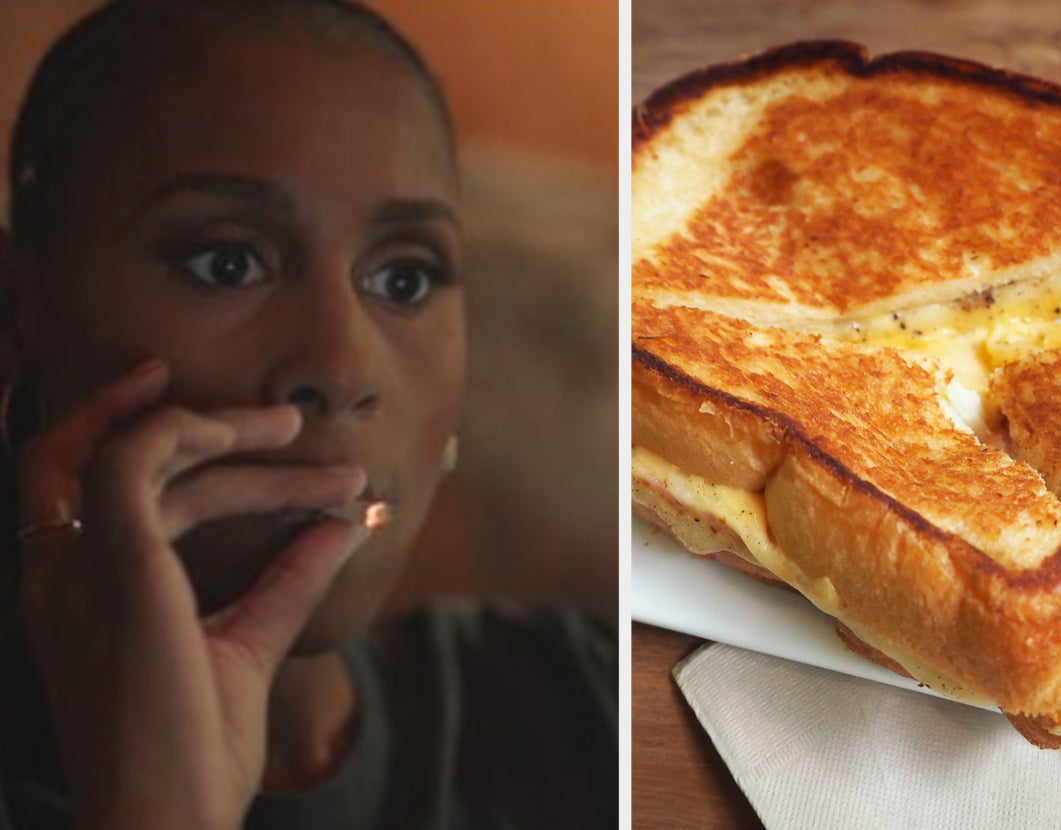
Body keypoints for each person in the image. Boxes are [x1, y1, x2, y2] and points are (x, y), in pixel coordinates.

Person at [0, 1, 618, 828]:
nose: (341, 367)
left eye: (404, 279)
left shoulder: (591, 702)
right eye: (227, 263)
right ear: (23, 309)